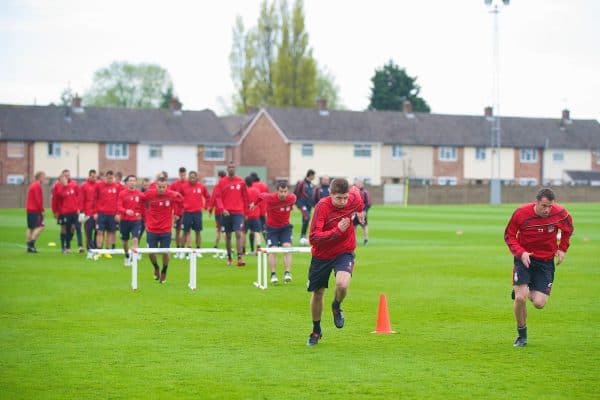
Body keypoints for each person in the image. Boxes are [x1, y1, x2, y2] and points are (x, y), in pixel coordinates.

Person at [504, 188, 574, 347]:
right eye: (543, 206)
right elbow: (509, 235)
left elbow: (568, 229)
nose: (547, 210)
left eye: (549, 206)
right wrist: (521, 253)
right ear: (536, 202)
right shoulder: (521, 213)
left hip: (545, 262)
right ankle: (522, 335)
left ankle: (522, 288)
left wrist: (562, 248)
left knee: (539, 303)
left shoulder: (560, 213)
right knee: (520, 297)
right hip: (524, 259)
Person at [306, 178, 365, 346]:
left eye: (345, 198)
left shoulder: (353, 198)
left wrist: (360, 212)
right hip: (322, 254)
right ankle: (316, 330)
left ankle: (336, 306)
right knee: (318, 293)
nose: (343, 202)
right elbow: (314, 238)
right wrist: (337, 231)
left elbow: (358, 199)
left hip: (344, 252)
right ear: (330, 194)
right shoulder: (322, 207)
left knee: (342, 284)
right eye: (339, 198)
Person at [140, 177, 183, 283]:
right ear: (156, 186)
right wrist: (145, 216)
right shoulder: (149, 194)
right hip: (152, 229)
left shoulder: (171, 195)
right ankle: (156, 267)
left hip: (166, 229)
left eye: (164, 187)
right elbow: (140, 202)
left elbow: (181, 201)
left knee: (165, 252)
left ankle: (164, 270)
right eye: (160, 187)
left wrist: (177, 214)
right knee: (151, 252)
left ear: (166, 186)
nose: (162, 189)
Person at [253, 180, 296, 284]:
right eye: (281, 191)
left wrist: (290, 207)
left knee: (287, 247)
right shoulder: (270, 197)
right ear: (277, 191)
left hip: (285, 228)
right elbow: (260, 195)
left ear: (288, 191)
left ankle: (287, 273)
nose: (283, 194)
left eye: (285, 191)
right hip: (272, 229)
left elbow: (292, 204)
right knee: (273, 249)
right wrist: (254, 204)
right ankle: (273, 274)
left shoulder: (292, 198)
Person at [212, 162, 249, 266]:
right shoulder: (222, 182)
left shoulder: (241, 181)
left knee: (238, 233)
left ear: (235, 169)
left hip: (238, 212)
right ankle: (229, 258)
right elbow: (218, 197)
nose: (231, 169)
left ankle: (240, 258)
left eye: (233, 167)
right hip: (226, 213)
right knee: (228, 236)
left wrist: (246, 212)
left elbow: (246, 197)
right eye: (229, 167)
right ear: (227, 169)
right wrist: (222, 209)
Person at [179, 170, 210, 254]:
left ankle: (198, 250)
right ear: (188, 178)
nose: (192, 179)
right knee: (185, 231)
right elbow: (179, 198)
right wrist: (181, 208)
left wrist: (206, 206)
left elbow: (207, 197)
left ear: (197, 178)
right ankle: (182, 250)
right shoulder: (183, 187)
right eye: (190, 177)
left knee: (198, 231)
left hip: (197, 213)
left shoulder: (201, 187)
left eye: (193, 177)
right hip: (187, 212)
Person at [51, 169, 80, 254]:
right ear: (62, 176)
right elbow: (55, 199)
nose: (67, 177)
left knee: (73, 227)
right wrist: (55, 211)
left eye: (68, 175)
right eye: (65, 175)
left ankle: (68, 241)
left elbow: (78, 197)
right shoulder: (57, 186)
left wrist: (78, 208)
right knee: (63, 228)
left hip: (73, 211)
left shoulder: (74, 184)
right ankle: (63, 246)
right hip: (62, 211)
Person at [94, 170, 122, 258]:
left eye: (111, 178)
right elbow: (95, 199)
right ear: (105, 177)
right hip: (101, 213)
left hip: (112, 214)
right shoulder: (99, 186)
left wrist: (118, 213)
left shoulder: (117, 187)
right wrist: (95, 212)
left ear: (113, 178)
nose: (110, 180)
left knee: (110, 232)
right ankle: (99, 250)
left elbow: (119, 201)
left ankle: (107, 250)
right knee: (99, 232)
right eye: (108, 178)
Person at [117, 175, 143, 266]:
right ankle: (127, 255)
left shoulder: (140, 194)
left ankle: (133, 259)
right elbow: (119, 206)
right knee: (124, 242)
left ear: (136, 182)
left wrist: (139, 213)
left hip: (136, 221)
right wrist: (126, 211)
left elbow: (143, 207)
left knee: (135, 239)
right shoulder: (122, 193)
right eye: (130, 180)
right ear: (127, 182)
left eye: (134, 181)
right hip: (124, 220)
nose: (132, 182)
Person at [25, 171, 46, 253]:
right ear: (40, 177)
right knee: (41, 227)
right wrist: (42, 210)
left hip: (30, 209)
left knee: (30, 228)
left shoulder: (33, 185)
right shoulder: (37, 185)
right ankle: (31, 244)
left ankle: (29, 247)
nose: (44, 178)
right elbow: (38, 200)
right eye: (44, 176)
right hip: (35, 210)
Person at [79, 169, 98, 258]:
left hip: (97, 213)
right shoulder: (84, 186)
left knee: (97, 231)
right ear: (89, 176)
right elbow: (81, 199)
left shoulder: (98, 185)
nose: (94, 178)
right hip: (87, 213)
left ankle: (96, 248)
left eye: (95, 176)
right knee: (88, 232)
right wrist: (82, 212)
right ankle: (90, 249)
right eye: (92, 176)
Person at [294, 169, 316, 245]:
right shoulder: (301, 183)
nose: (314, 177)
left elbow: (312, 196)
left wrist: (314, 204)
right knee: (307, 217)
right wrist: (296, 203)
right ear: (310, 175)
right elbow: (296, 193)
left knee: (305, 220)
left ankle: (303, 238)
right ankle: (302, 236)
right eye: (313, 175)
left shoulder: (311, 184)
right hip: (302, 204)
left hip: (309, 205)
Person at [170, 167, 187, 259]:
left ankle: (182, 249)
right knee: (177, 231)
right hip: (177, 212)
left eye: (184, 174)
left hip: (186, 211)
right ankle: (177, 250)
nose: (183, 176)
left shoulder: (188, 184)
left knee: (185, 231)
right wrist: (174, 212)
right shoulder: (174, 185)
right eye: (181, 174)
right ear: (179, 174)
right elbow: (172, 198)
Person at [244, 176, 263, 255]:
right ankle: (258, 248)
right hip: (256, 215)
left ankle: (243, 250)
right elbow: (260, 201)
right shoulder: (257, 190)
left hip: (247, 216)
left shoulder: (245, 191)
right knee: (257, 232)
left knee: (243, 233)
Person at [208, 170, 227, 249]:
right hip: (227, 211)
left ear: (219, 176)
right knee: (225, 230)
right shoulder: (228, 185)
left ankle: (217, 246)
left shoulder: (217, 186)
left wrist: (210, 210)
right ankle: (220, 246)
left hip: (219, 211)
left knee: (219, 230)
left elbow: (213, 199)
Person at [352, 179, 372, 245]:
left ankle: (366, 239)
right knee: (354, 226)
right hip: (354, 213)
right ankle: (354, 240)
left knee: (364, 225)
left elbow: (368, 203)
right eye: (357, 183)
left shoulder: (365, 192)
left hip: (362, 213)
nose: (359, 185)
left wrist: (364, 211)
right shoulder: (352, 192)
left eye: (360, 183)